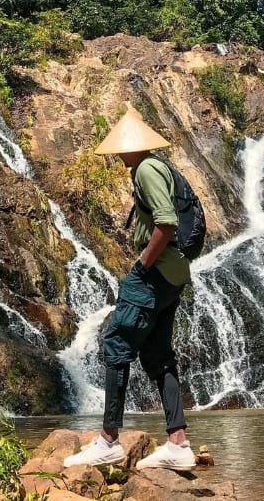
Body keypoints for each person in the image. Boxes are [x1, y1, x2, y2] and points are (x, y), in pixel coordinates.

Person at [63, 109, 196, 472]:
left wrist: (141, 265)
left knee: (117, 344)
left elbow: (166, 222)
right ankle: (178, 443)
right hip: (173, 274)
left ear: (130, 147)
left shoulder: (146, 169)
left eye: (119, 149)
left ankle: (107, 440)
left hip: (155, 273)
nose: (117, 156)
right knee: (157, 355)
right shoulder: (159, 166)